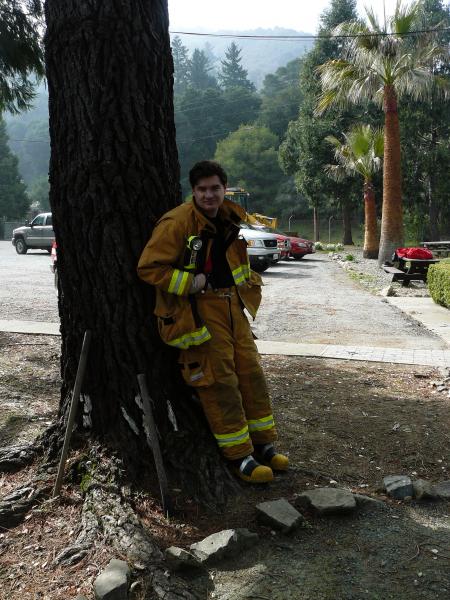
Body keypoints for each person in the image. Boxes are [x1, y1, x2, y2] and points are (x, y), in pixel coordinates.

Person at [137, 160, 288, 483]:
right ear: (193, 191)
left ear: (224, 188)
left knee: (251, 373)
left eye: (215, 188)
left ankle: (263, 445)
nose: (209, 195)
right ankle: (240, 456)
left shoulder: (230, 216)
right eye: (202, 189)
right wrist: (189, 283)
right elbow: (149, 268)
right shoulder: (176, 223)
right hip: (200, 311)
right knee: (220, 381)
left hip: (233, 306)